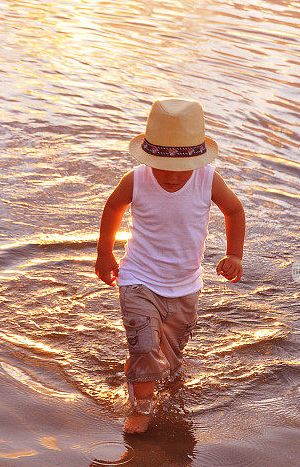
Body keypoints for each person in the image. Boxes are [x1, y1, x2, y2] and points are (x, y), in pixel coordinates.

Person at [95, 97, 245, 433]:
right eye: (163, 168)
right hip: (138, 278)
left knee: (171, 363)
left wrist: (234, 254)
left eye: (181, 170)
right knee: (147, 346)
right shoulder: (136, 180)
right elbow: (113, 207)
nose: (173, 178)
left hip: (185, 286)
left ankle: (140, 367)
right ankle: (142, 408)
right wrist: (105, 253)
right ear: (149, 159)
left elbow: (234, 210)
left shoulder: (208, 179)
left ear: (197, 160)